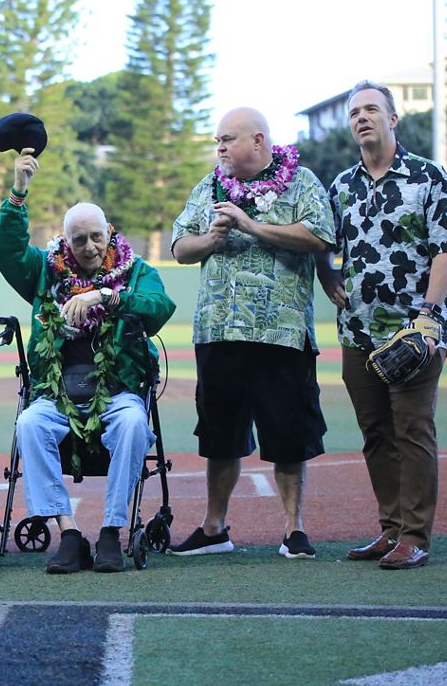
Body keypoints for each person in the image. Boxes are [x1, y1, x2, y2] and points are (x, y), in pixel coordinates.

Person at [0, 148, 176, 574]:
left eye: (96, 236)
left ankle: (112, 531)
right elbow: (6, 251)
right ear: (65, 242)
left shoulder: (135, 271)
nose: (89, 247)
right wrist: (18, 193)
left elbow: (160, 306)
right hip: (57, 394)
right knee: (29, 424)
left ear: (109, 232)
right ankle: (69, 533)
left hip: (118, 392)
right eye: (79, 239)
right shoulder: (45, 271)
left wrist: (108, 297)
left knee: (133, 423)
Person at [169, 107, 335, 559]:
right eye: (217, 141)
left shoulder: (300, 181)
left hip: (281, 332)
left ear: (258, 141)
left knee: (288, 433)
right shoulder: (208, 186)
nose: (219, 148)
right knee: (220, 434)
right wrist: (211, 240)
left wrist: (251, 225)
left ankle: (293, 529)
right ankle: (214, 527)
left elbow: (319, 237)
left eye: (227, 139)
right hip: (219, 330)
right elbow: (181, 246)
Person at [317, 81, 447, 570]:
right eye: (355, 112)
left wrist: (428, 316)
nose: (362, 117)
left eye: (371, 109)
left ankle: (416, 535)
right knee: (376, 433)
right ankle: (390, 529)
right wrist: (327, 274)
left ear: (392, 118)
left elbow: (446, 248)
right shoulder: (341, 186)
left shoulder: (428, 177)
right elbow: (321, 241)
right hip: (358, 332)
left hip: (413, 331)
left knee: (413, 430)